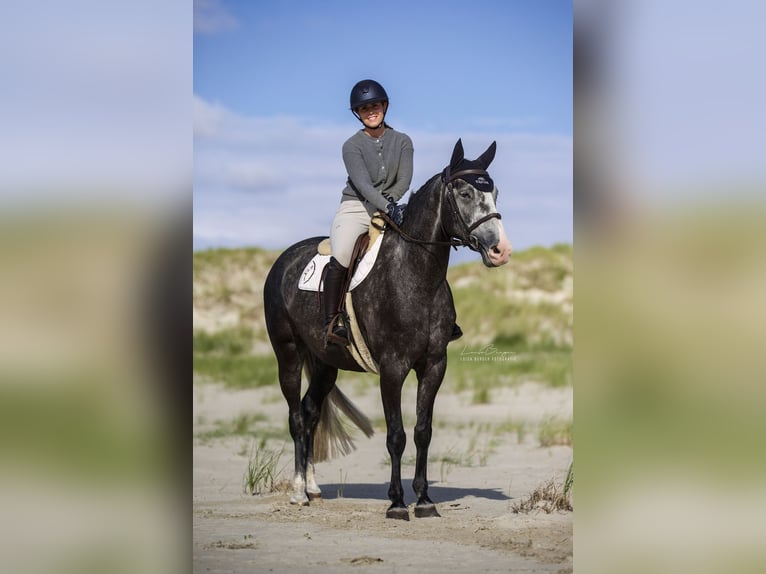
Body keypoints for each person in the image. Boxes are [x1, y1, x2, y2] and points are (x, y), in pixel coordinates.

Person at [323, 79, 462, 347]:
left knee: (424, 250)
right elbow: (362, 184)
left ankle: (445, 318)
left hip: (393, 206)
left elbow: (405, 179)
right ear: (357, 114)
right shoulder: (351, 146)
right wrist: (386, 207)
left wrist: (391, 204)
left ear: (385, 106)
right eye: (364, 109)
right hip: (356, 207)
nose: (370, 111)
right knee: (341, 254)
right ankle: (333, 320)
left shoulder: (403, 141)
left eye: (375, 105)